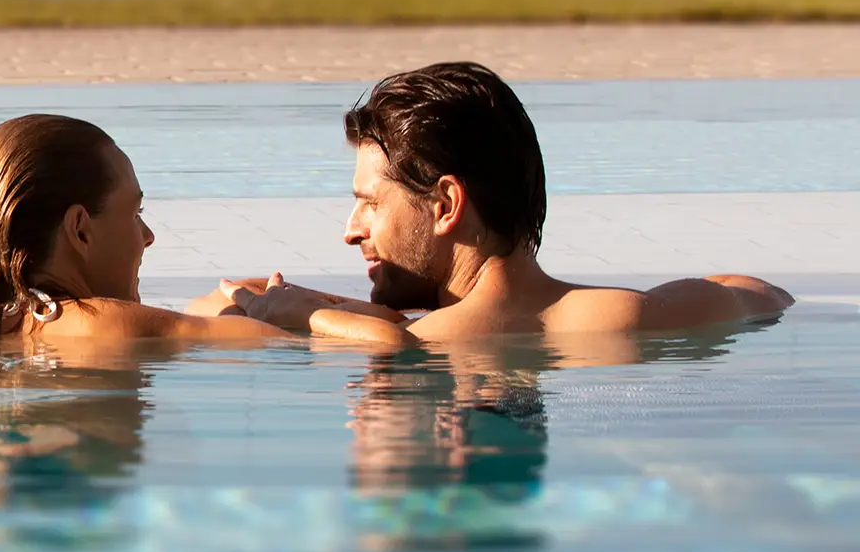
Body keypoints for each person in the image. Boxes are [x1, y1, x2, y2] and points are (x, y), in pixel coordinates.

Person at [213, 61, 794, 345]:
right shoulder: (624, 315)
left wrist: (306, 315)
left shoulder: (421, 343)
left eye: (369, 203)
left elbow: (407, 347)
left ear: (445, 204)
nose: (351, 229)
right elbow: (762, 293)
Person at [0, 112, 398, 357]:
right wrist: (290, 310)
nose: (146, 238)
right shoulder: (126, 327)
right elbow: (383, 344)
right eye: (134, 212)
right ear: (81, 228)